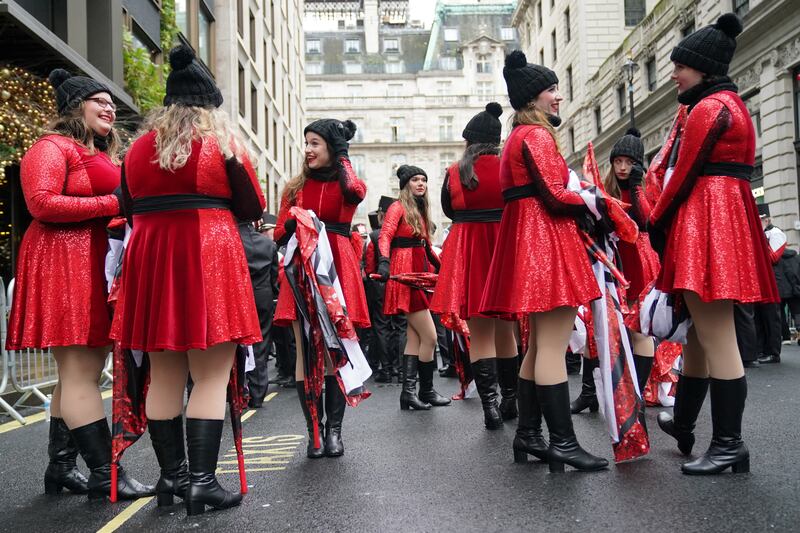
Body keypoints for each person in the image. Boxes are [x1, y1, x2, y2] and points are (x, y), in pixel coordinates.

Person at [112, 45, 265, 513]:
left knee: (164, 374)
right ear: (208, 106)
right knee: (211, 375)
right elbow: (254, 206)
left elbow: (125, 204)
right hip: (208, 251)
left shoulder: (137, 148)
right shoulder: (222, 144)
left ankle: (171, 480)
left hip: (152, 255)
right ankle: (201, 482)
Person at [5, 68, 152, 500]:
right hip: (62, 263)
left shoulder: (96, 153)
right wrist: (115, 202)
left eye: (111, 102)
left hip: (89, 262)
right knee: (81, 373)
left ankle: (61, 467)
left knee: (73, 376)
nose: (109, 107)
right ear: (75, 107)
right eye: (98, 100)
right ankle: (106, 475)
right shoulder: (50, 147)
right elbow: (41, 203)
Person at [646, 14, 778, 474]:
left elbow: (680, 177)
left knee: (716, 337)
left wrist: (654, 222)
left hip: (708, 222)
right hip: (725, 220)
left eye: (680, 65)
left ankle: (729, 445)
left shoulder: (707, 108)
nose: (674, 74)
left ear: (702, 67)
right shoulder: (731, 104)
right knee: (702, 333)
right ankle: (684, 423)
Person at [480, 51, 608, 472]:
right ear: (533, 96)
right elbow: (555, 194)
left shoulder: (517, 137)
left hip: (530, 239)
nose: (558, 96)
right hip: (546, 243)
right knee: (551, 345)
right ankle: (564, 444)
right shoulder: (535, 136)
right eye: (552, 89)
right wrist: (595, 202)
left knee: (538, 346)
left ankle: (529, 435)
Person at [273, 118, 369, 458]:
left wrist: (343, 155)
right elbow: (277, 236)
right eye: (306, 143)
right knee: (305, 352)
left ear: (332, 147)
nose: (308, 149)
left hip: (337, 270)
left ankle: (334, 432)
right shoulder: (294, 187)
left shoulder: (347, 184)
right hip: (301, 271)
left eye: (315, 143)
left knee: (332, 352)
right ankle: (314, 430)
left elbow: (356, 192)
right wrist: (289, 223)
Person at [431, 102, 518, 430]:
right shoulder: (507, 166)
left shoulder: (455, 171)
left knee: (479, 334)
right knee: (507, 329)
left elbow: (449, 211)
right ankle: (510, 398)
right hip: (502, 245)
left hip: (468, 251)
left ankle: (490, 407)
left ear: (469, 141)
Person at [572, 128, 659, 415]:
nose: (622, 167)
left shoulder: (646, 186)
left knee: (639, 331)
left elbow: (646, 222)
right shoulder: (604, 187)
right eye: (618, 161)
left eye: (629, 162)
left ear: (638, 164)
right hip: (608, 263)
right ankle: (588, 393)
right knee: (597, 326)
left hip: (638, 264)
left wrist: (635, 188)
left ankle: (638, 393)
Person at [377, 165, 451, 410]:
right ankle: (425, 391)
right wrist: (384, 261)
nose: (421, 183)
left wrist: (444, 269)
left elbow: (428, 248)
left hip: (419, 274)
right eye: (416, 180)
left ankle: (409, 393)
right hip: (406, 275)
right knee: (429, 337)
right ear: (406, 184)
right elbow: (385, 235)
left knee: (415, 338)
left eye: (424, 180)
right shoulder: (397, 207)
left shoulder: (419, 211)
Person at [238, 214, 280, 408]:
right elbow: (273, 277)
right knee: (261, 344)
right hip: (263, 296)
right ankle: (257, 392)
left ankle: (239, 391)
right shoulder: (268, 245)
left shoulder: (234, 241)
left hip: (240, 294)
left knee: (237, 345)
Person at [364, 196, 401, 382]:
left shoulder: (374, 236)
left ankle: (386, 370)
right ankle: (401, 370)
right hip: (400, 282)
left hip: (380, 286)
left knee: (382, 326)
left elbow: (370, 267)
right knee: (401, 326)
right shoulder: (402, 232)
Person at [754, 204, 786, 364]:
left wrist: (760, 234)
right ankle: (762, 349)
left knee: (771, 317)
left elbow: (772, 257)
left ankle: (773, 352)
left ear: (766, 220)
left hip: (773, 281)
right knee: (759, 317)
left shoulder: (776, 233)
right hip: (760, 280)